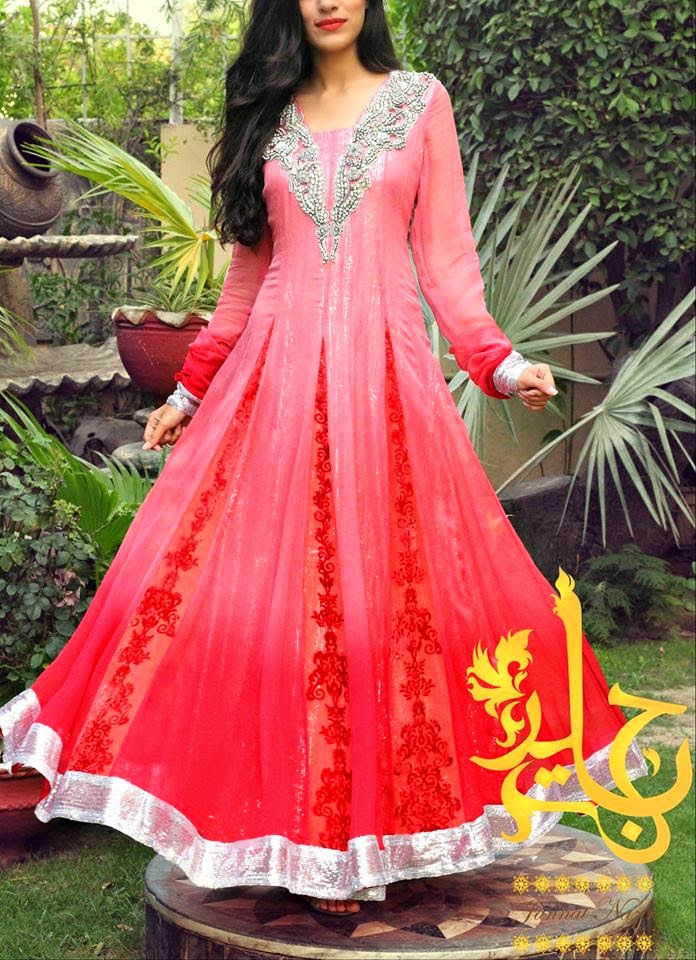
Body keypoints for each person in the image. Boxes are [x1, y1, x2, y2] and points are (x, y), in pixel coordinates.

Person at [0, 0, 648, 919]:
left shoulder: (420, 102)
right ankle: (311, 842)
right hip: (275, 401)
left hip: (387, 396)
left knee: (396, 615)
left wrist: (500, 364)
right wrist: (189, 391)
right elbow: (246, 281)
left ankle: (383, 836)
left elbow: (448, 263)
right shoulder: (266, 117)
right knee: (276, 616)